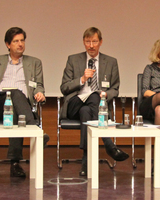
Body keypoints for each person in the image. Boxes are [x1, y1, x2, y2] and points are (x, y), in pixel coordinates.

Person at [0, 27, 49, 177]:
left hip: (21, 106)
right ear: (8, 44)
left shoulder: (34, 63)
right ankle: (35, 129)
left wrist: (40, 93)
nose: (20, 44)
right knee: (15, 93)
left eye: (22, 40)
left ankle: (15, 164)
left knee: (17, 106)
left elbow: (39, 86)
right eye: (16, 41)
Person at [60, 27, 129, 176]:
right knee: (93, 96)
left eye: (94, 42)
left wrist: (105, 94)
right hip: (75, 103)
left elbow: (115, 88)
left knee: (88, 109)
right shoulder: (73, 60)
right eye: (88, 42)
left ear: (101, 42)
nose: (91, 45)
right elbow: (64, 87)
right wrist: (82, 79)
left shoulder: (111, 62)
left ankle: (86, 159)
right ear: (83, 43)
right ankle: (109, 144)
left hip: (94, 107)